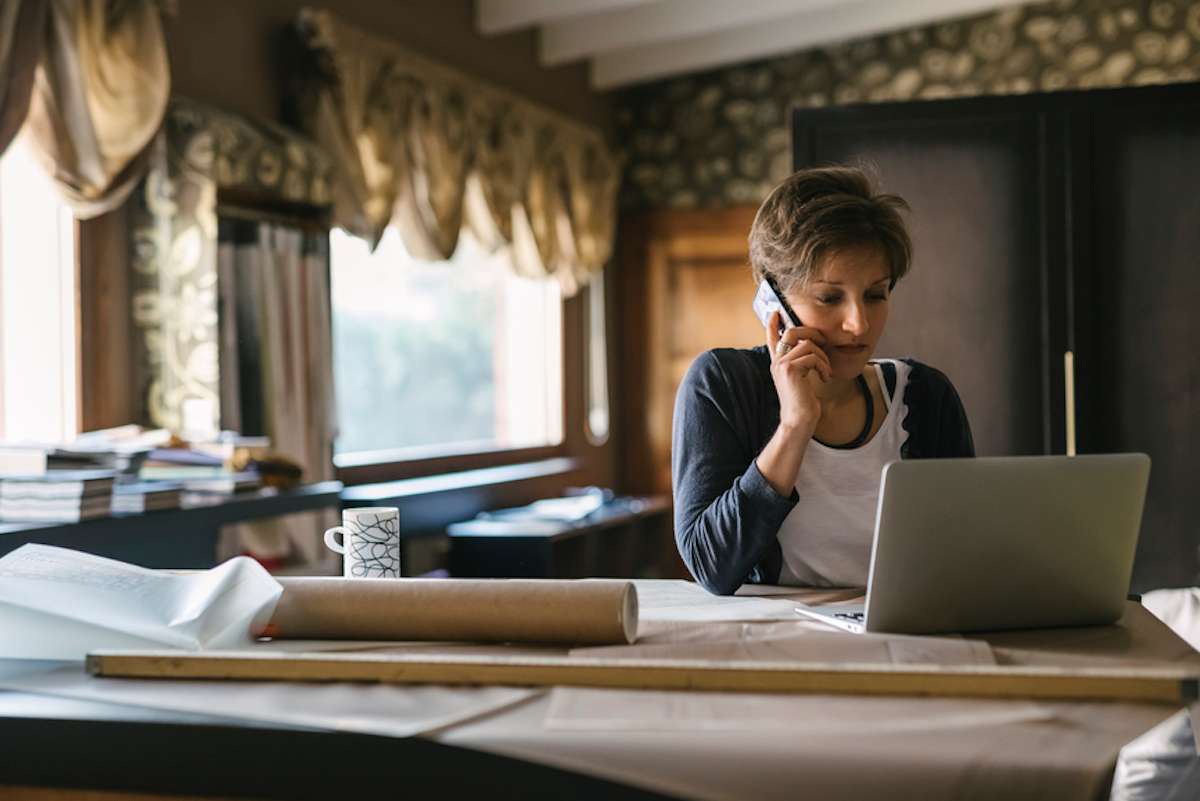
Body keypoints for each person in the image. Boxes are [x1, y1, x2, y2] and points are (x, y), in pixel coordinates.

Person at [671, 166, 974, 595]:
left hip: (902, 641)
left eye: (876, 294)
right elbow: (713, 566)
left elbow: (965, 554)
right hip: (775, 648)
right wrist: (795, 424)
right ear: (773, 303)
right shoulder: (720, 384)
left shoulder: (926, 396)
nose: (858, 323)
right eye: (830, 297)